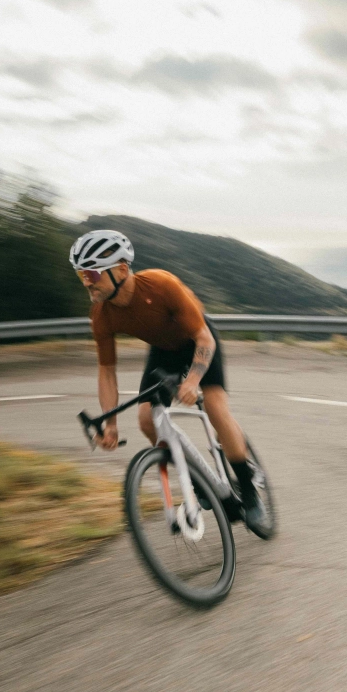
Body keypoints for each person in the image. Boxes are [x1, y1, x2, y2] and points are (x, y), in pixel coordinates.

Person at [70, 229, 270, 536]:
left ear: (121, 269)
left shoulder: (161, 285)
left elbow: (203, 337)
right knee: (147, 420)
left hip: (198, 339)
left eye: (93, 274)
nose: (86, 282)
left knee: (216, 408)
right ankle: (197, 481)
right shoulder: (101, 314)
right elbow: (106, 371)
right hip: (164, 351)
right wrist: (110, 424)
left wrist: (192, 381)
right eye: (81, 274)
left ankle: (248, 488)